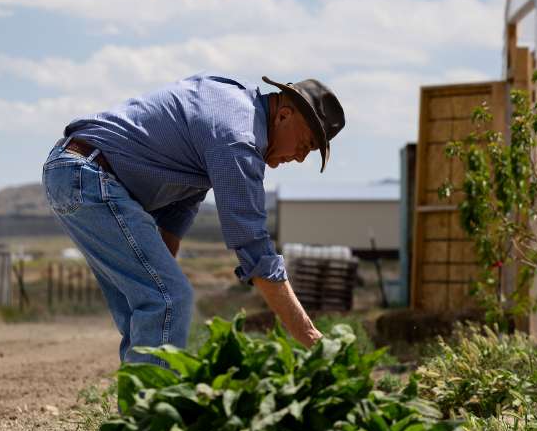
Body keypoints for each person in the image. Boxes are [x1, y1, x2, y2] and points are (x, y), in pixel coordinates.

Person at [40, 75, 345, 363]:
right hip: (90, 176)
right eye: (305, 145)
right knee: (170, 299)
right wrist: (310, 337)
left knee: (150, 303)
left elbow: (178, 211)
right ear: (284, 116)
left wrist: (159, 272)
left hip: (76, 171)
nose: (300, 158)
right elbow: (255, 250)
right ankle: (151, 413)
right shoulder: (238, 138)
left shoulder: (232, 102)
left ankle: (137, 410)